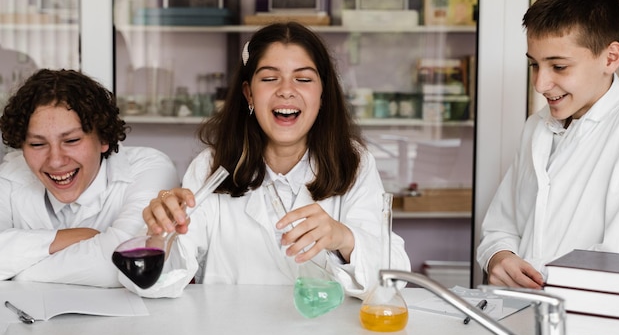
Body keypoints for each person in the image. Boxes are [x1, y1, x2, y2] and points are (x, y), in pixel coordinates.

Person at [122, 22, 411, 298]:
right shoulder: (212, 167)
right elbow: (156, 285)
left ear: (323, 93)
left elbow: (393, 279)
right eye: (270, 78)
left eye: (304, 79)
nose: (286, 90)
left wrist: (343, 238)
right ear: (249, 93)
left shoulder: (354, 162)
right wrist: (159, 236)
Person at [477, 0, 619, 289]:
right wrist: (501, 257)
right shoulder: (537, 127)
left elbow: (617, 262)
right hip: (523, 319)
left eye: (558, 67)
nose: (540, 84)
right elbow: (501, 225)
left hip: (591, 331)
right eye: (534, 65)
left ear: (610, 58)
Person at [0, 69, 179, 286]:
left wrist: (19, 274)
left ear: (103, 138)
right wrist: (74, 236)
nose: (55, 161)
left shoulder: (149, 168)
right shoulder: (10, 176)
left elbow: (124, 266)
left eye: (72, 140)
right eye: (37, 144)